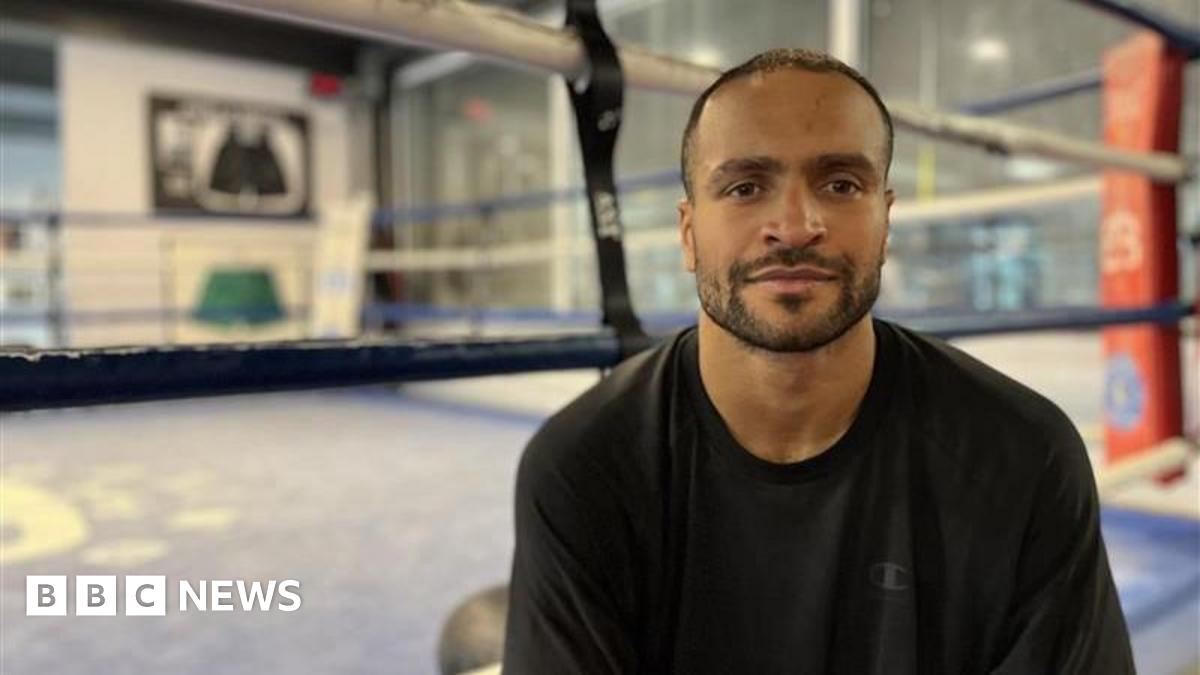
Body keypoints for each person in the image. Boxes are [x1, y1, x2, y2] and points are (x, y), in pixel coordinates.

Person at [502, 48, 1133, 674]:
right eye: (745, 187)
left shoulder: (1020, 456)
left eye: (840, 185)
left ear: (885, 223)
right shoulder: (586, 467)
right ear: (689, 234)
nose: (794, 225)